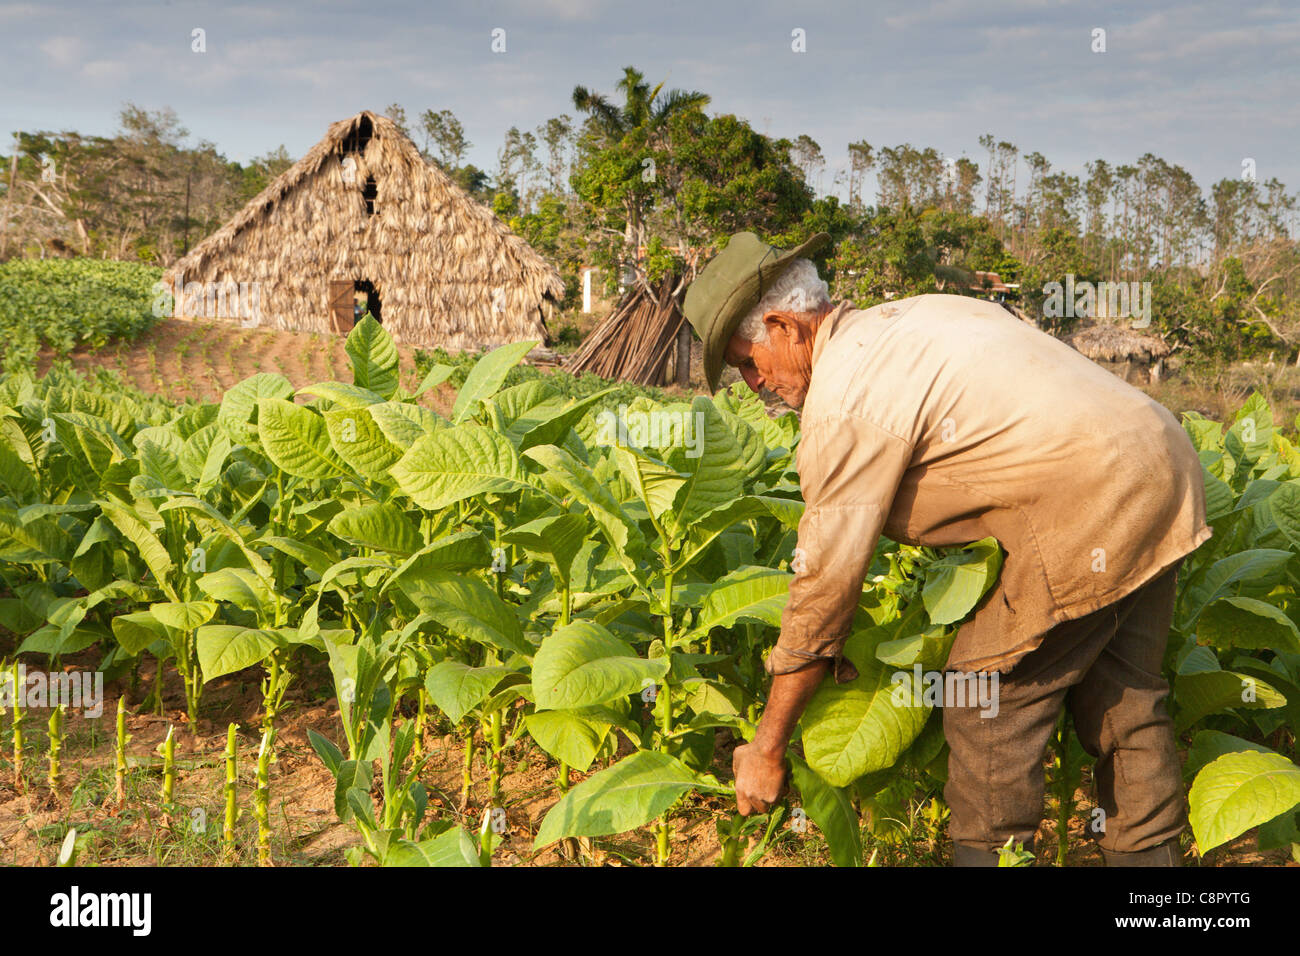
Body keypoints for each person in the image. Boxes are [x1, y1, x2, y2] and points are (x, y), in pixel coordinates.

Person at [682, 231, 1212, 866]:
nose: (753, 383)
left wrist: (767, 746)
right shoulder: (911, 318)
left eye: (747, 360)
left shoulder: (844, 398)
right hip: (1162, 461)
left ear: (783, 326)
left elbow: (824, 582)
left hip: (1093, 496)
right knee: (1122, 692)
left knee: (983, 699)